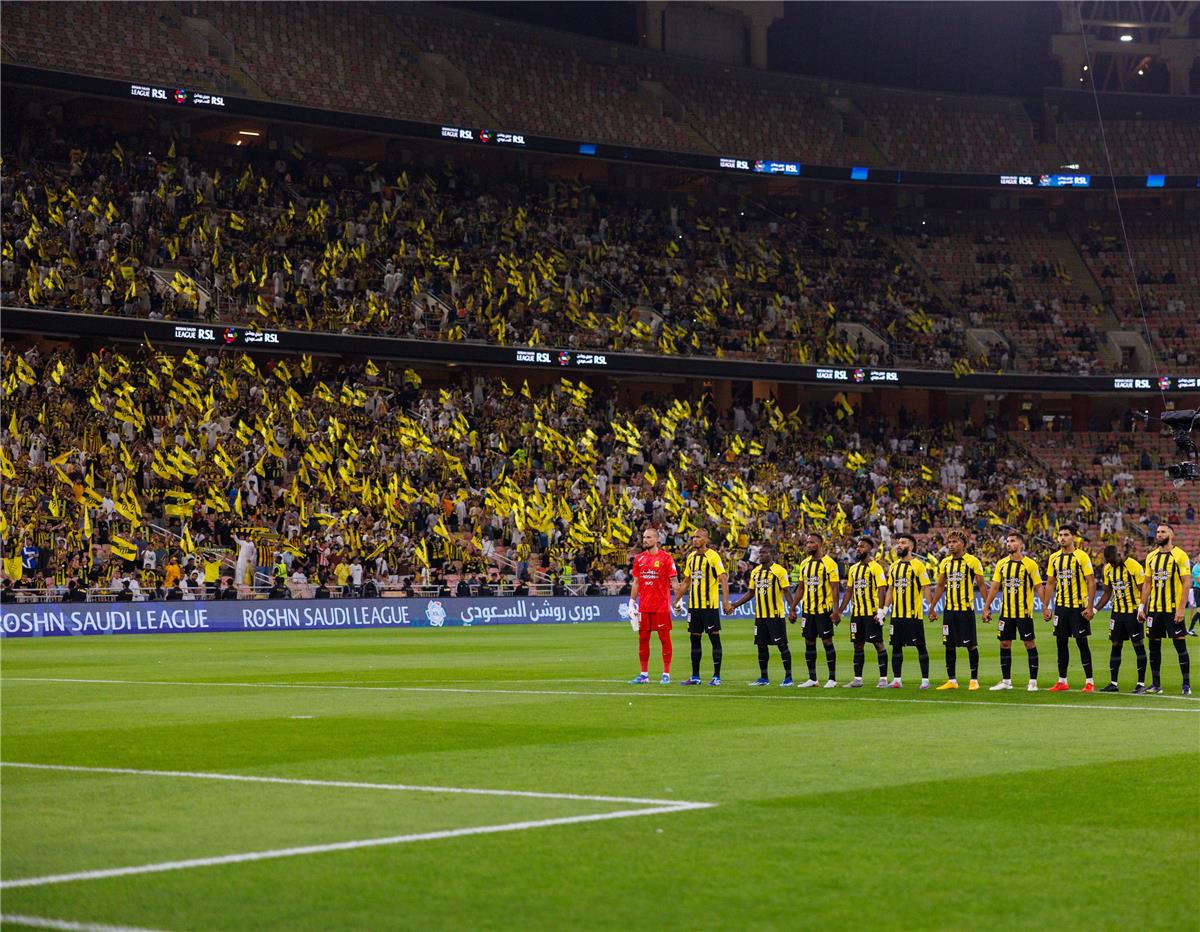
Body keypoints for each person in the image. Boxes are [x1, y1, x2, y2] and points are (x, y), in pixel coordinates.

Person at [928, 529, 989, 690]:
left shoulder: (972, 561)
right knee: (949, 645)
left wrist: (986, 607)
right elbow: (940, 586)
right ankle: (952, 680)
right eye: (949, 542)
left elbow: (981, 584)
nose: (951, 545)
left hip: (965, 610)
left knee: (971, 645)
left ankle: (974, 680)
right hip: (949, 611)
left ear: (963, 544)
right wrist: (932, 607)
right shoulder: (945, 562)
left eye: (955, 542)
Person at [982, 531, 1042, 691]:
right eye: (1007, 541)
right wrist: (986, 607)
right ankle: (1006, 681)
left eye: (1012, 541)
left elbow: (1038, 587)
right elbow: (994, 587)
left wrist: (1046, 606)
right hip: (1006, 613)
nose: (1008, 543)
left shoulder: (1030, 564)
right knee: (1004, 644)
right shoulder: (1001, 564)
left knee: (1029, 644)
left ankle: (1033, 682)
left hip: (1023, 613)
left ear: (1020, 544)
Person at [729, 542, 794, 686]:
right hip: (760, 616)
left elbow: (787, 591)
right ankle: (764, 678)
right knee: (761, 646)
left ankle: (788, 677)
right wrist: (735, 604)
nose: (761, 555)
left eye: (765, 553)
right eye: (760, 553)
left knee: (782, 645)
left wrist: (793, 609)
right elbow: (750, 593)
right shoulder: (755, 572)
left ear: (773, 555)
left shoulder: (779, 571)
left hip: (775, 615)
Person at [1138, 524, 1192, 695]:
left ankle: (1186, 685)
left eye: (1163, 532)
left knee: (1180, 645)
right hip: (1154, 609)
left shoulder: (1180, 555)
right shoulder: (1151, 557)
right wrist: (1142, 606)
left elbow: (1186, 583)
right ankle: (1155, 684)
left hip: (1173, 609)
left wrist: (1181, 609)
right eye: (1158, 532)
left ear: (1171, 535)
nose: (1159, 534)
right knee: (1154, 646)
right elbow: (1147, 583)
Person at [1042, 524, 1096, 692]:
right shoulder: (1054, 558)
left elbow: (1091, 581)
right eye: (1060, 534)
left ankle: (1089, 681)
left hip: (1078, 607)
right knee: (1061, 642)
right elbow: (1050, 583)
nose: (1062, 538)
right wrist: (1046, 605)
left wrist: (1090, 606)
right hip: (1061, 607)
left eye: (1066, 534)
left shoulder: (1081, 556)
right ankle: (1062, 681)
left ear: (1073, 537)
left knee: (1081, 642)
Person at [672, 527, 729, 686]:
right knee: (694, 640)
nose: (694, 539)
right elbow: (686, 582)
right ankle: (695, 676)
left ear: (706, 539)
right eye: (693, 537)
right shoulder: (691, 557)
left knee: (714, 639)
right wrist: (676, 600)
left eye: (698, 537)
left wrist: (725, 601)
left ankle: (716, 676)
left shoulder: (713, 556)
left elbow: (723, 578)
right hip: (694, 607)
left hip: (709, 606)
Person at [879, 534, 932, 689]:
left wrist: (931, 608)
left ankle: (925, 681)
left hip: (913, 615)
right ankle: (897, 680)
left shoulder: (918, 565)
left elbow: (926, 587)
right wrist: (885, 609)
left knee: (920, 646)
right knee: (896, 646)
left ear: (911, 547)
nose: (899, 545)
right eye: (898, 542)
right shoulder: (894, 566)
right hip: (897, 615)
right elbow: (890, 589)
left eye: (903, 543)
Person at [788, 532, 841, 688]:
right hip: (808, 610)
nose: (808, 545)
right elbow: (801, 588)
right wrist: (792, 608)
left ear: (820, 543)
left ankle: (832, 678)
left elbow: (835, 589)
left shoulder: (829, 563)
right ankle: (813, 679)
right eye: (807, 543)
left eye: (811, 542)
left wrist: (836, 611)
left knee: (827, 641)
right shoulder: (804, 564)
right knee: (809, 641)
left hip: (824, 610)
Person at [628, 527, 678, 685]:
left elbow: (674, 581)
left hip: (661, 607)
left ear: (657, 539)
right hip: (644, 607)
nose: (645, 540)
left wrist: (678, 601)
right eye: (644, 537)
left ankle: (666, 673)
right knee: (643, 639)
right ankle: (644, 674)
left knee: (664, 639)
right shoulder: (639, 559)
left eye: (649, 537)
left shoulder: (666, 558)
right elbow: (636, 582)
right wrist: (631, 603)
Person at [1095, 543, 1147, 693]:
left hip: (1133, 612)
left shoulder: (1133, 566)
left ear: (1119, 554)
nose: (1111, 563)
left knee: (1138, 644)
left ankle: (1141, 684)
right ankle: (1113, 683)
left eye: (1112, 560)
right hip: (1117, 613)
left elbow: (1143, 590)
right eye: (1108, 561)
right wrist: (1094, 609)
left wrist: (1144, 610)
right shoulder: (1108, 570)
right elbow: (1107, 593)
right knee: (1116, 644)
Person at [1188, 553, 1200, 636]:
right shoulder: (1196, 568)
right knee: (1199, 610)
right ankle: (1190, 629)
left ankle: (1191, 629)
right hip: (1198, 591)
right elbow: (1199, 581)